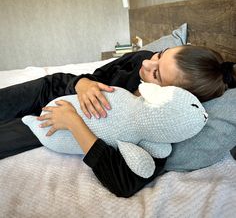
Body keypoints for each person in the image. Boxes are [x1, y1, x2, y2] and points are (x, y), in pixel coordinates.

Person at [0, 45, 235, 197]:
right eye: (160, 54)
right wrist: (83, 84)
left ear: (175, 96)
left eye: (157, 74)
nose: (146, 63)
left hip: (60, 119)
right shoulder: (139, 60)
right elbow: (95, 75)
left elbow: (125, 184)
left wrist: (74, 123)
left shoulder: (162, 127)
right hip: (52, 88)